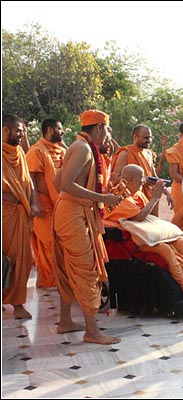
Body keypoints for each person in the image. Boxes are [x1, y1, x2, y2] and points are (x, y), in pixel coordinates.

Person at [52, 109, 121, 344]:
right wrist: (102, 199)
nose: (108, 135)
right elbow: (66, 186)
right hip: (72, 215)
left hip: (72, 212)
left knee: (69, 267)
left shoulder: (83, 147)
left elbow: (57, 180)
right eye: (107, 129)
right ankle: (92, 332)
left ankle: (65, 321)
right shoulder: (82, 149)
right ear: (100, 127)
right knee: (86, 270)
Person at [103, 165, 183, 299]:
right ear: (130, 179)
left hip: (149, 235)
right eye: (141, 178)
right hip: (132, 240)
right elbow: (139, 217)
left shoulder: (138, 193)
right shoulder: (120, 195)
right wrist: (154, 199)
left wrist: (156, 197)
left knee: (181, 243)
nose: (144, 181)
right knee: (166, 250)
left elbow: (150, 216)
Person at [2, 114, 40, 319]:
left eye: (22, 131)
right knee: (4, 259)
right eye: (18, 131)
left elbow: (29, 182)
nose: (21, 135)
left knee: (23, 260)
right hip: (4, 215)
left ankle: (18, 303)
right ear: (5, 130)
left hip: (21, 214)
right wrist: (17, 197)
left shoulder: (20, 154)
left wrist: (32, 202)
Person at [26, 118, 67, 288]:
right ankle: (53, 280)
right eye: (59, 129)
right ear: (49, 130)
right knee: (49, 243)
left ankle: (50, 280)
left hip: (60, 203)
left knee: (60, 242)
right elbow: (30, 180)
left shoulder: (62, 151)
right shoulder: (36, 151)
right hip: (43, 202)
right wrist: (35, 203)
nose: (62, 132)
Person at [111, 124, 173, 215]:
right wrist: (141, 180)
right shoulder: (125, 153)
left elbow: (155, 177)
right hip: (132, 201)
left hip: (149, 199)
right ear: (135, 137)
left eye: (150, 137)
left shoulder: (149, 154)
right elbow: (114, 180)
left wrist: (167, 193)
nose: (149, 141)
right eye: (145, 138)